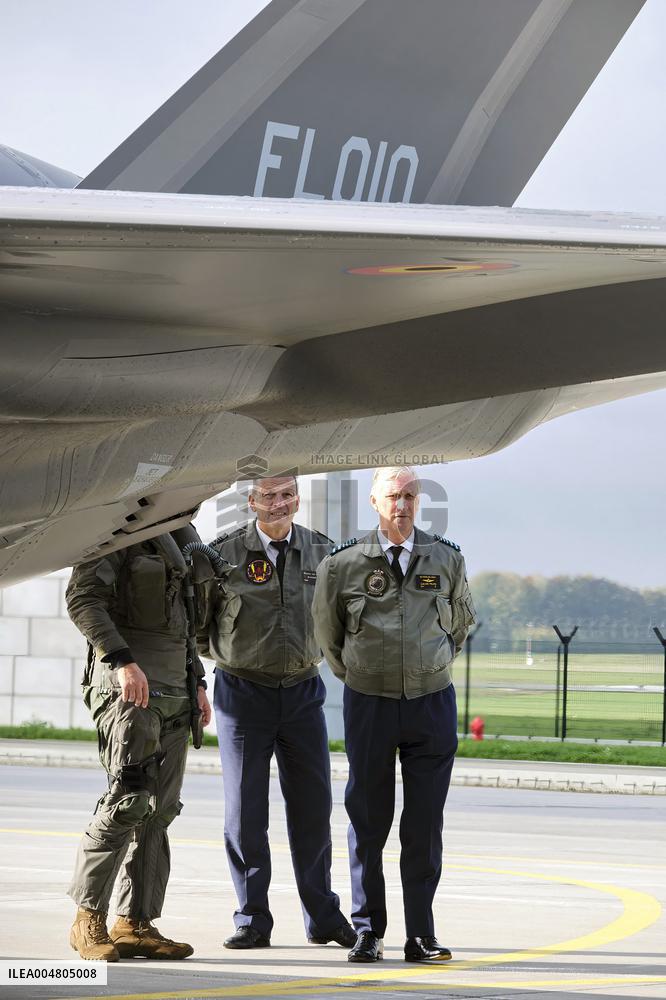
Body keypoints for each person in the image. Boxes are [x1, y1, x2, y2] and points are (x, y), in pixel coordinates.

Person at [312, 467, 476, 964]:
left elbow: (460, 623)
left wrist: (431, 665)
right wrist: (362, 674)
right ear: (374, 501)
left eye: (409, 495)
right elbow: (328, 634)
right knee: (367, 820)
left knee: (424, 825)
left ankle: (421, 935)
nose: (401, 505)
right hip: (370, 703)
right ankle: (369, 930)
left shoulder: (446, 558)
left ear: (418, 500)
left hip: (431, 703)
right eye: (392, 496)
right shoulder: (342, 564)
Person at [203, 474, 355, 950]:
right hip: (242, 692)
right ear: (251, 501)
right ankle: (252, 918)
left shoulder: (323, 552)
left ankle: (323, 917)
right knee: (245, 812)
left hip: (303, 691)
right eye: (268, 495)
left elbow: (343, 618)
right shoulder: (221, 554)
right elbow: (197, 624)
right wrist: (213, 668)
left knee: (313, 808)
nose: (279, 503)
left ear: (297, 499)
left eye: (287, 494)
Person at [65, 524, 213, 962]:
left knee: (159, 812)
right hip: (130, 691)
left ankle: (134, 923)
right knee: (128, 802)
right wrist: (122, 661)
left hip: (175, 692)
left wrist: (197, 682)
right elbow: (82, 600)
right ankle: (87, 918)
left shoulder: (179, 533)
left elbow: (185, 619)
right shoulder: (116, 528)